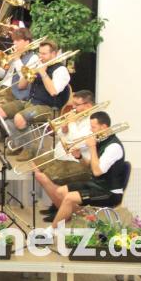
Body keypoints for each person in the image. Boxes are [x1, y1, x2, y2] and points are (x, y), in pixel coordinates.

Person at [45, 111, 126, 229]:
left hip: (109, 192)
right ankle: (81, 220)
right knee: (60, 191)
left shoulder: (113, 147)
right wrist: (79, 157)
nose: (91, 130)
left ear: (104, 127)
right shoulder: (101, 141)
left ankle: (51, 231)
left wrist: (92, 147)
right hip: (97, 184)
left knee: (69, 198)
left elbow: (97, 171)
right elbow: (90, 165)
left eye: (93, 127)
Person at [0, 40, 72, 157]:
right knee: (0, 112)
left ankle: (30, 149)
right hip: (30, 102)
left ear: (53, 54)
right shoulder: (39, 65)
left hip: (49, 107)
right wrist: (28, 72)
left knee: (19, 118)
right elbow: (21, 86)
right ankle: (18, 144)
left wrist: (43, 73)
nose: (40, 56)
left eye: (44, 54)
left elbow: (53, 92)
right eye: (39, 53)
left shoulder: (61, 70)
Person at [34, 90, 96, 222]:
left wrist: (71, 123)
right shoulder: (78, 115)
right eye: (73, 104)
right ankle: (58, 205)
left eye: (77, 105)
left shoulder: (93, 121)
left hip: (78, 162)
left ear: (88, 106)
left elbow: (77, 142)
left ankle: (64, 211)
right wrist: (64, 129)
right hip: (63, 156)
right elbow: (62, 137)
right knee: (35, 164)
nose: (73, 107)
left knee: (44, 176)